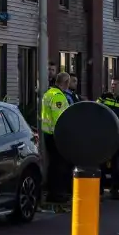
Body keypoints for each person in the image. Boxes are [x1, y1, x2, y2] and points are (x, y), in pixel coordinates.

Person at [41, 72, 72, 207]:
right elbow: (60, 119)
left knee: (53, 165)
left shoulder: (48, 93)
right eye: (68, 83)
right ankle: (57, 194)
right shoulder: (58, 96)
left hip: (47, 134)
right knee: (59, 166)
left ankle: (53, 192)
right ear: (65, 83)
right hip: (56, 135)